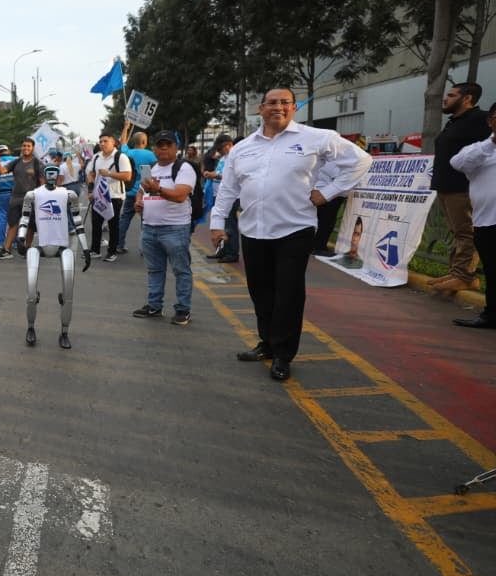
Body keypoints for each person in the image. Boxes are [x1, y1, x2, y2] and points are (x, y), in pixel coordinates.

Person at [210, 87, 372, 382]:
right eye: (272, 103)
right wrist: (217, 223)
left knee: (288, 294)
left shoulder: (317, 138)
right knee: (261, 291)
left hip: (294, 229)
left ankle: (283, 355)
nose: (279, 107)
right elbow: (228, 189)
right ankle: (267, 343)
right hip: (254, 230)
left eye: (285, 102)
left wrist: (329, 191)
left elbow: (361, 161)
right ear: (261, 109)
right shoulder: (243, 148)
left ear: (294, 108)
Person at [16, 165, 91, 347]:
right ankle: (30, 327)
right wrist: (20, 238)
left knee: (68, 292)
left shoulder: (68, 194)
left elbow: (78, 221)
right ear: (44, 175)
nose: (51, 176)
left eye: (54, 173)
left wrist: (85, 248)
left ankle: (64, 332)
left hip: (62, 247)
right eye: (48, 173)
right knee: (31, 292)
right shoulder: (33, 194)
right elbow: (24, 218)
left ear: (58, 175)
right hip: (40, 245)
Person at [131, 130, 198, 326]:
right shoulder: (149, 168)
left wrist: (158, 189)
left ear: (176, 148)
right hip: (149, 228)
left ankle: (183, 309)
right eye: (160, 145)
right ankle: (154, 306)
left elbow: (180, 196)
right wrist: (138, 202)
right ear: (154, 148)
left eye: (168, 144)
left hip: (175, 228)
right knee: (154, 270)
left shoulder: (184, 168)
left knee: (181, 270)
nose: (164, 148)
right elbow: (141, 191)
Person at [431, 82, 489, 293]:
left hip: (463, 188)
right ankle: (456, 272)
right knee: (457, 232)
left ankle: (465, 276)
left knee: (467, 233)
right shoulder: (454, 122)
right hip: (446, 187)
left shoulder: (480, 119)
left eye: (451, 95)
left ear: (467, 98)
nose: (445, 99)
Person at [449, 104, 496, 328]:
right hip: (488, 223)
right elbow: (457, 163)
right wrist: (492, 142)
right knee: (493, 272)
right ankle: (492, 316)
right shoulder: (481, 150)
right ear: (490, 121)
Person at [85, 133, 132, 262]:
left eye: (105, 141)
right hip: (98, 196)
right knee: (96, 224)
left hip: (114, 196)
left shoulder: (120, 157)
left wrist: (109, 174)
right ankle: (95, 250)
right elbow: (91, 174)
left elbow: (127, 176)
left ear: (113, 142)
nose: (102, 144)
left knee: (113, 225)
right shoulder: (96, 157)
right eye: (100, 141)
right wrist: (90, 190)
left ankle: (112, 252)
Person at [0, 139, 44, 260]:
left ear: (33, 148)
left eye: (28, 146)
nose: (26, 148)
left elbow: (43, 183)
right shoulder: (16, 161)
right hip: (15, 198)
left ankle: (27, 249)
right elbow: (1, 171)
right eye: (24, 146)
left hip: (31, 199)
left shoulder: (37, 163)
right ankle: (6, 250)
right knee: (13, 224)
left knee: (30, 226)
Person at [117, 132, 156, 255]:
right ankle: (144, 248)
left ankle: (119, 244)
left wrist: (126, 127)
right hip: (144, 192)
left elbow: (123, 142)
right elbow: (148, 175)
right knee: (145, 221)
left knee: (124, 219)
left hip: (129, 191)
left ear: (133, 142)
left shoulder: (127, 153)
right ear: (144, 142)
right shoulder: (150, 155)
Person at [203, 134, 239, 263]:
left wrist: (215, 176)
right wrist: (211, 174)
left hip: (231, 197)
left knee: (229, 226)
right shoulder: (224, 157)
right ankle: (221, 249)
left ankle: (232, 252)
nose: (219, 151)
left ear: (228, 145)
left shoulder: (235, 157)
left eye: (220, 148)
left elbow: (233, 177)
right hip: (219, 195)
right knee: (221, 226)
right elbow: (220, 172)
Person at [0, 144, 14, 249]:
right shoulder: (16, 160)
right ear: (8, 151)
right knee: (15, 219)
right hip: (15, 193)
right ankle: (14, 242)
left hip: (1, 193)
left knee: (1, 218)